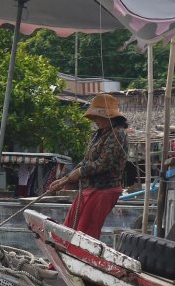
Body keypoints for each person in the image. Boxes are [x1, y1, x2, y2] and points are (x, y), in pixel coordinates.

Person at [47, 94, 128, 239]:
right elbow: (86, 161)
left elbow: (104, 164)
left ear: (109, 117)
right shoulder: (97, 134)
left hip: (104, 190)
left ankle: (82, 260)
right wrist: (64, 180)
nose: (96, 120)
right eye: (95, 117)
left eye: (99, 117)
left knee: (85, 233)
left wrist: (79, 172)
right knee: (70, 228)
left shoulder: (117, 134)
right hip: (88, 188)